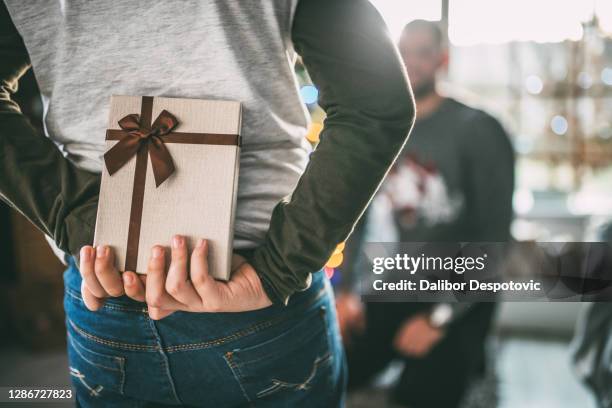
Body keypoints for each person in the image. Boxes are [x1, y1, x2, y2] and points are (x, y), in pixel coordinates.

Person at [0, 1, 415, 406]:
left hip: (107, 279)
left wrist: (76, 217)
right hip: (253, 285)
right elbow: (376, 104)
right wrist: (278, 269)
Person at [336, 20, 515, 407]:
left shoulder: (479, 130)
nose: (410, 62)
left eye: (422, 52)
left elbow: (495, 239)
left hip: (462, 297)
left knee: (420, 394)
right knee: (332, 371)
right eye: (403, 52)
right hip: (398, 287)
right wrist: (348, 291)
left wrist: (439, 319)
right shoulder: (383, 130)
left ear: (443, 60)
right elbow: (360, 216)